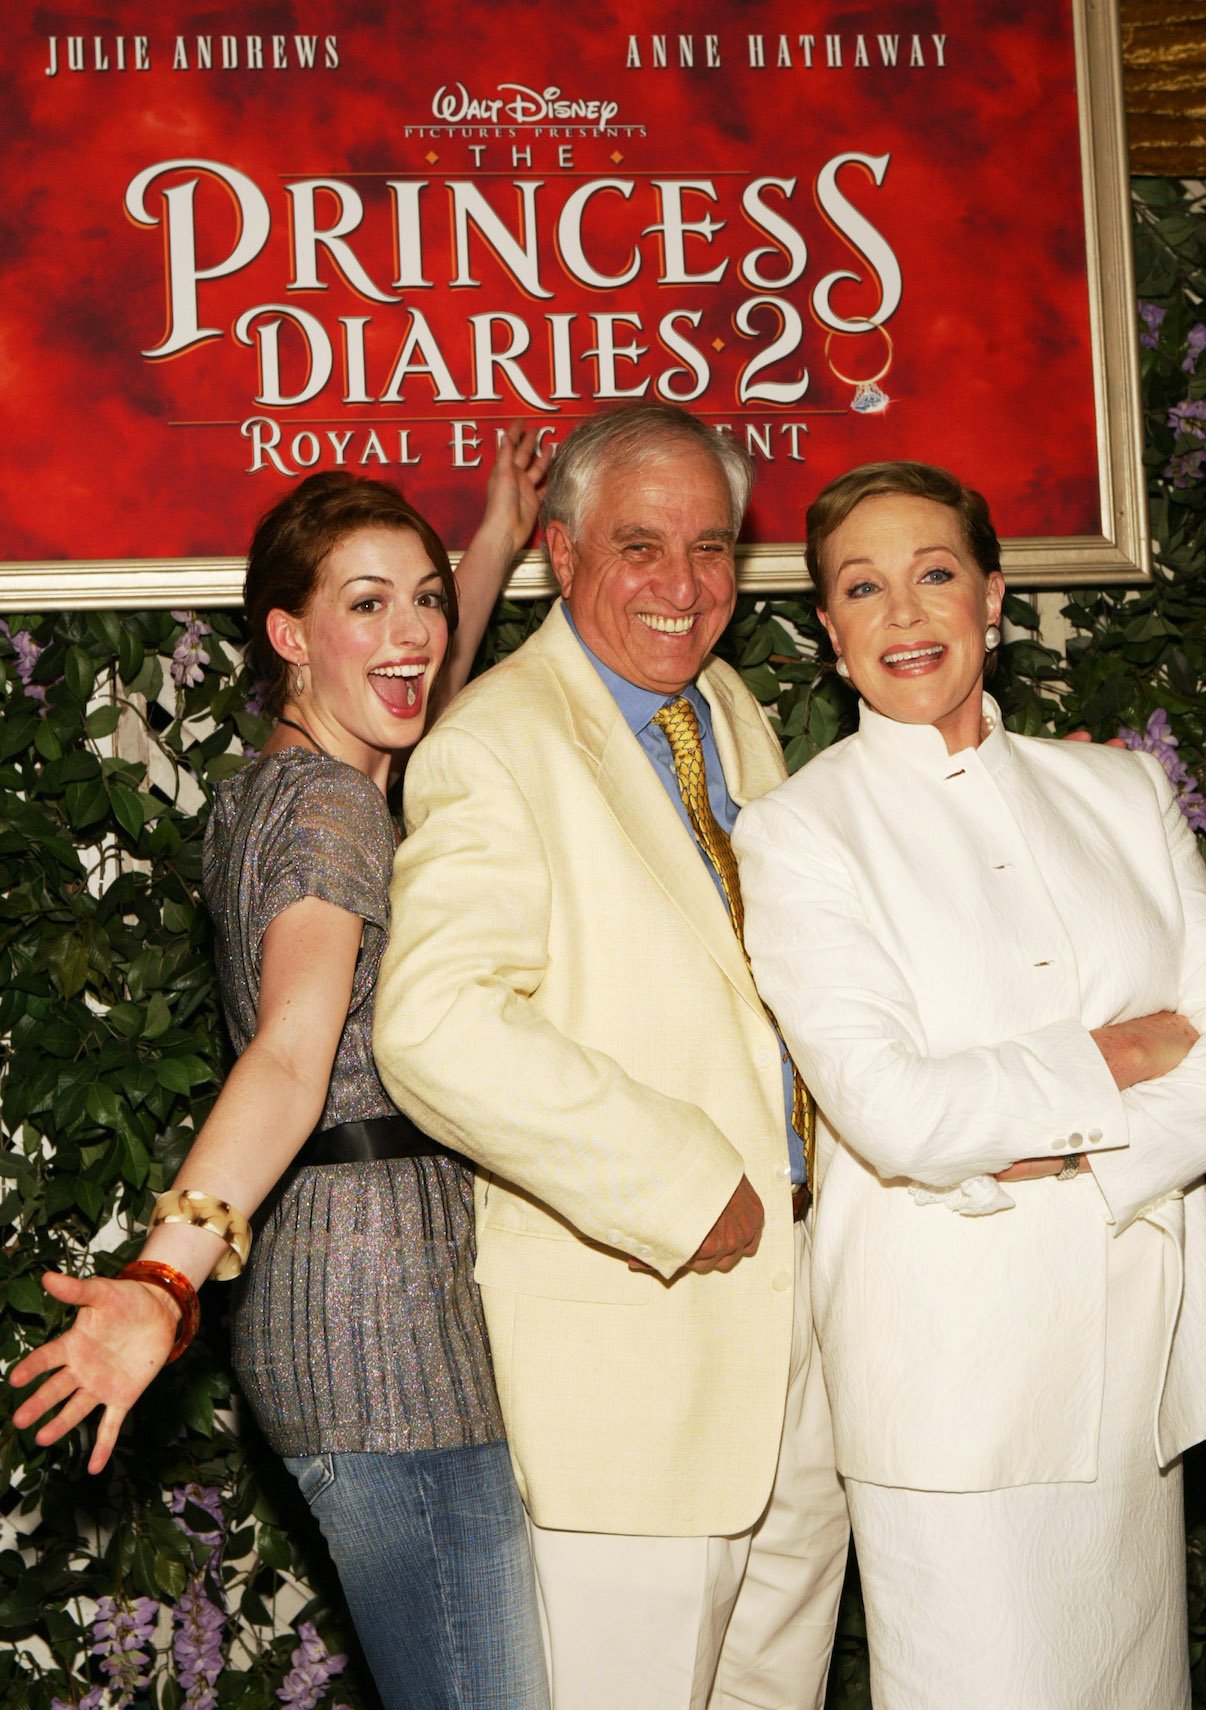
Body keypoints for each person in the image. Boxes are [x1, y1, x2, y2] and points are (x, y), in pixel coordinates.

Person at [10, 428, 552, 1710]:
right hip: (389, 1333)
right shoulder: (335, 809)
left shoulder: (280, 779)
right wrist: (163, 1276)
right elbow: (289, 1058)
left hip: (333, 1299)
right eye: (367, 604)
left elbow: (415, 672)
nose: (412, 632)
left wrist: (492, 541)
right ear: (290, 636)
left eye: (425, 598)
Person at [371, 401, 850, 1710]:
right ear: (561, 552)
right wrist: (674, 1181)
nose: (682, 587)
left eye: (711, 548)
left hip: (795, 1360)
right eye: (640, 546)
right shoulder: (494, 745)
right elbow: (433, 1023)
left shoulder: (724, 705)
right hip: (637, 1368)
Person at [731, 459, 1206, 1709]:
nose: (904, 613)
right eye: (863, 588)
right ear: (830, 632)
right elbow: (895, 1112)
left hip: (1137, 1365)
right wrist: (1117, 1057)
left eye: (935, 573)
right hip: (950, 1380)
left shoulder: (1121, 790)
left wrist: (1066, 1159)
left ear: (992, 597)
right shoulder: (799, 833)